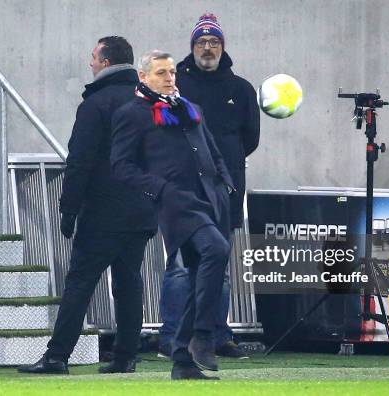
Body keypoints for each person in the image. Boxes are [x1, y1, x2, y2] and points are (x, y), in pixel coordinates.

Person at [18, 36, 156, 375]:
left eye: (94, 58)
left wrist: (69, 208)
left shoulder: (96, 104)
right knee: (128, 282)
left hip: (103, 211)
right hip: (141, 209)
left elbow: (80, 160)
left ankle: (56, 357)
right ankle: (125, 357)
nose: (90, 63)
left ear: (106, 63)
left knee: (80, 282)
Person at [111, 50, 234, 380]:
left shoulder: (189, 108)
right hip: (176, 204)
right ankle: (203, 337)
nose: (169, 78)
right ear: (144, 77)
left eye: (171, 73)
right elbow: (121, 167)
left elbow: (211, 147)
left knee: (199, 277)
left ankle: (182, 358)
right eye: (161, 73)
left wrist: (225, 182)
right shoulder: (132, 113)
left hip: (211, 199)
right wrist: (160, 190)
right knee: (216, 251)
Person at [158, 12, 260, 359]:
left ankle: (218, 337)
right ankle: (173, 337)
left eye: (213, 42)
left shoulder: (242, 89)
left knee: (221, 268)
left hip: (225, 191)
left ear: (222, 47)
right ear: (192, 47)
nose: (207, 47)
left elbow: (250, 139)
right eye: (201, 42)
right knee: (181, 269)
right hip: (184, 191)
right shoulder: (177, 86)